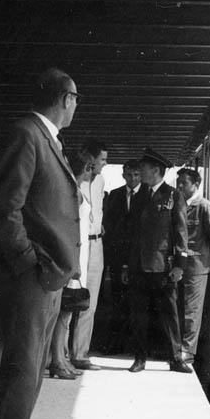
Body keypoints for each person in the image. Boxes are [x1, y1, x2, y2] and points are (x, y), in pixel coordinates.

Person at [0, 68, 81, 419]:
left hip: (47, 276)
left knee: (31, 372)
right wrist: (27, 263)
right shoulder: (27, 135)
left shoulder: (43, 139)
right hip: (32, 278)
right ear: (64, 98)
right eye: (77, 98)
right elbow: (5, 208)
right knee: (22, 370)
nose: (77, 106)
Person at [128, 147, 189, 374]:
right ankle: (139, 358)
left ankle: (176, 358)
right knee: (138, 314)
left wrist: (179, 267)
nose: (140, 171)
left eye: (143, 168)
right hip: (138, 264)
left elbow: (181, 233)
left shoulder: (173, 196)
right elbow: (131, 233)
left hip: (163, 266)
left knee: (169, 314)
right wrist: (127, 264)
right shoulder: (138, 196)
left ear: (155, 170)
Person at [48, 153, 93, 380]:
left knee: (65, 312)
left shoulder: (74, 190)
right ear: (86, 168)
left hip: (77, 258)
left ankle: (61, 358)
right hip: (72, 259)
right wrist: (73, 263)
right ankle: (57, 360)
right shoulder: (73, 192)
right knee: (62, 313)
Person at [175, 167, 210, 366]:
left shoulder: (204, 206)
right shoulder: (178, 204)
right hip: (179, 265)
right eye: (178, 183)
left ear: (196, 185)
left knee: (191, 311)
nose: (179, 186)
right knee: (179, 308)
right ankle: (178, 347)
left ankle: (187, 351)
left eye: (184, 183)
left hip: (196, 266)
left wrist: (207, 257)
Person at [101, 160, 148, 354]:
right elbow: (109, 225)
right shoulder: (115, 195)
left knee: (139, 301)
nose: (133, 178)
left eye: (137, 175)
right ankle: (116, 344)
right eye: (129, 175)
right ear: (123, 175)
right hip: (118, 257)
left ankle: (136, 346)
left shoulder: (149, 194)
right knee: (118, 299)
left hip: (139, 257)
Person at [70, 139, 107, 370]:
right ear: (90, 160)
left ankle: (80, 354)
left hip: (97, 245)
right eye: (102, 159)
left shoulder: (101, 180)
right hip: (78, 244)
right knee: (67, 300)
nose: (105, 163)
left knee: (89, 302)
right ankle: (60, 354)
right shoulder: (72, 180)